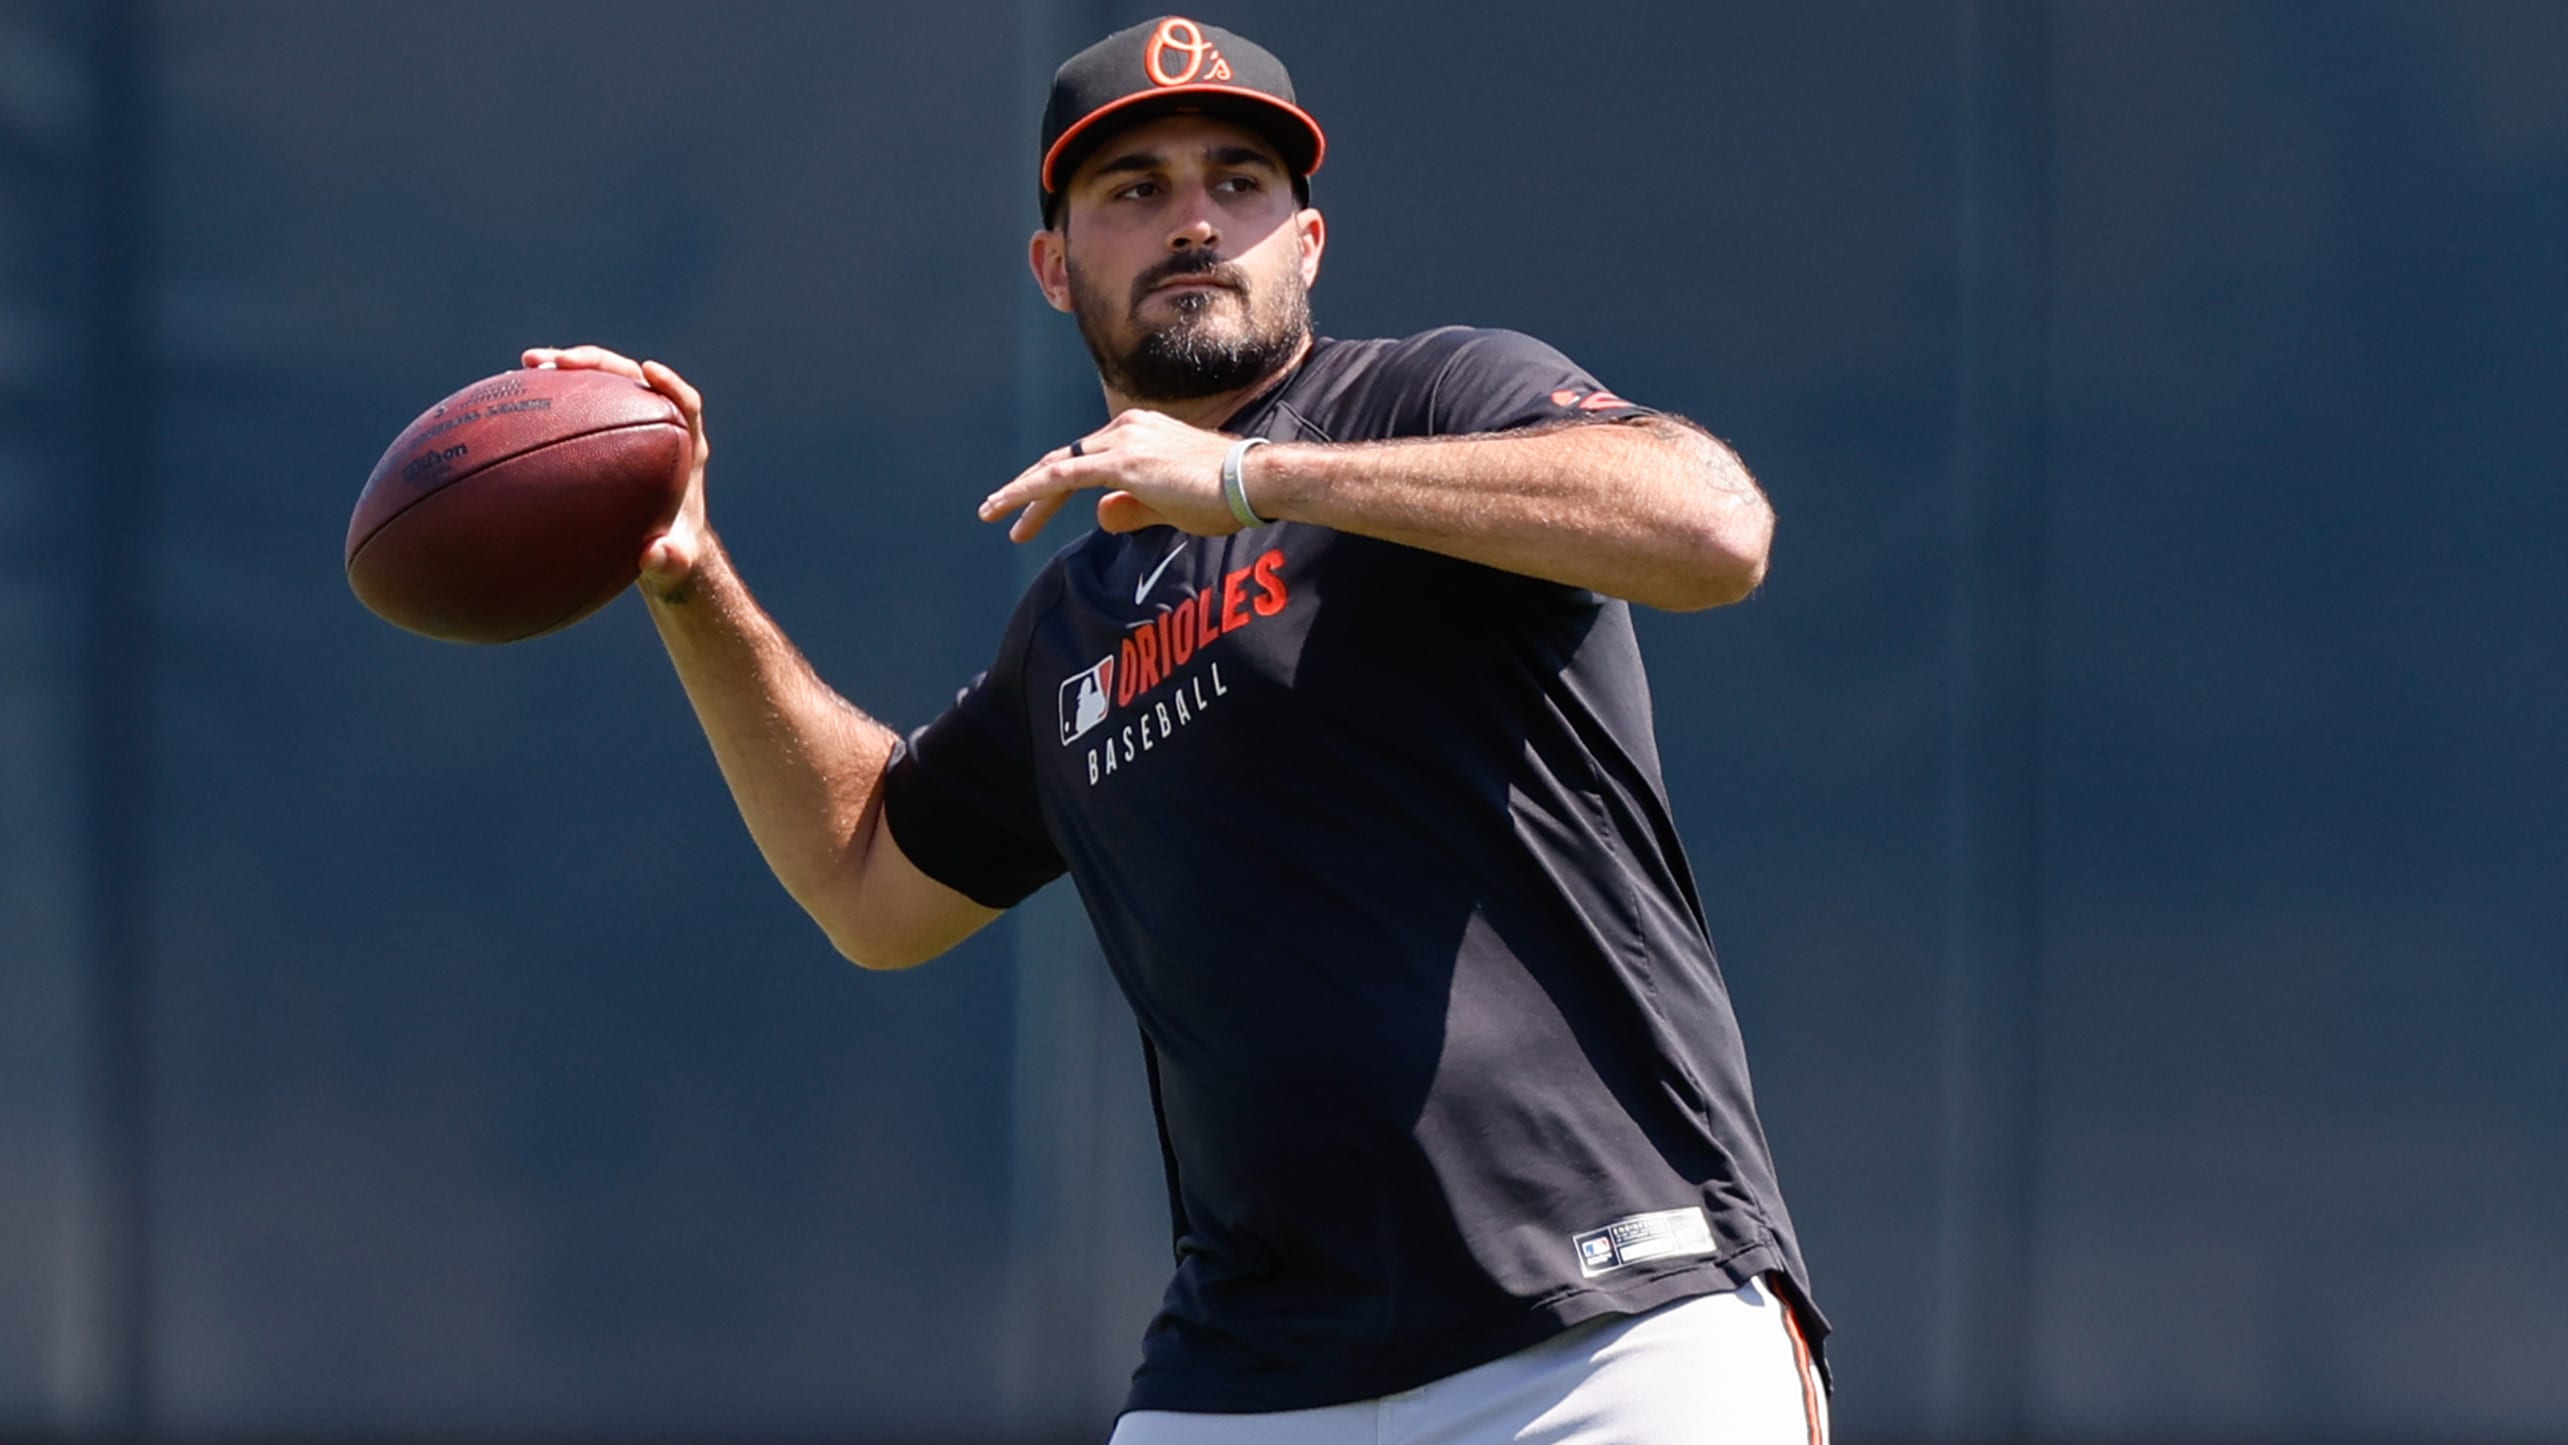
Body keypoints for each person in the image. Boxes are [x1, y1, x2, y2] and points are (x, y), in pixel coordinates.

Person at [527, 14, 1828, 1443]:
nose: (1196, 220)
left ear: (1309, 241)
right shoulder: (1072, 629)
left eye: (1239, 181)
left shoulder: (1433, 396)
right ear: (1053, 264)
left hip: (1611, 1322)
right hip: (1254, 1372)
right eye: (1134, 190)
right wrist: (689, 576)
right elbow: (868, 881)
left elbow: (1712, 526)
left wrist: (1261, 475)